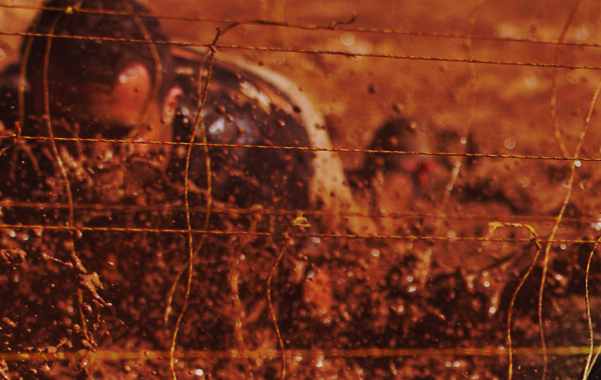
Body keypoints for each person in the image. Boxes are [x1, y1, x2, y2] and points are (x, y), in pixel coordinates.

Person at [0, 0, 357, 221]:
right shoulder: (13, 121)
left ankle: (402, 164)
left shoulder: (243, 151)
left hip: (277, 109)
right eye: (67, 129)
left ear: (169, 108)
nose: (92, 157)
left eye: (117, 136)